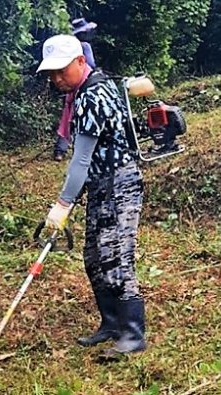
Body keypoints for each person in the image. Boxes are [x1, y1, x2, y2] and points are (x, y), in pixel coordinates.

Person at [37, 34, 146, 355]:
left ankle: (133, 334)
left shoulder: (93, 95)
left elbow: (81, 159)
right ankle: (111, 323)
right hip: (100, 184)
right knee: (95, 258)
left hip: (120, 184)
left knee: (116, 257)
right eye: (51, 73)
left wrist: (62, 204)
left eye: (62, 70)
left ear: (81, 62)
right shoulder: (81, 91)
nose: (56, 78)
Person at [53, 18, 98, 161]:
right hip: (83, 87)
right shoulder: (84, 46)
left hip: (70, 89)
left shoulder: (68, 50)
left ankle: (60, 151)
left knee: (67, 117)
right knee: (79, 118)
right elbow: (90, 64)